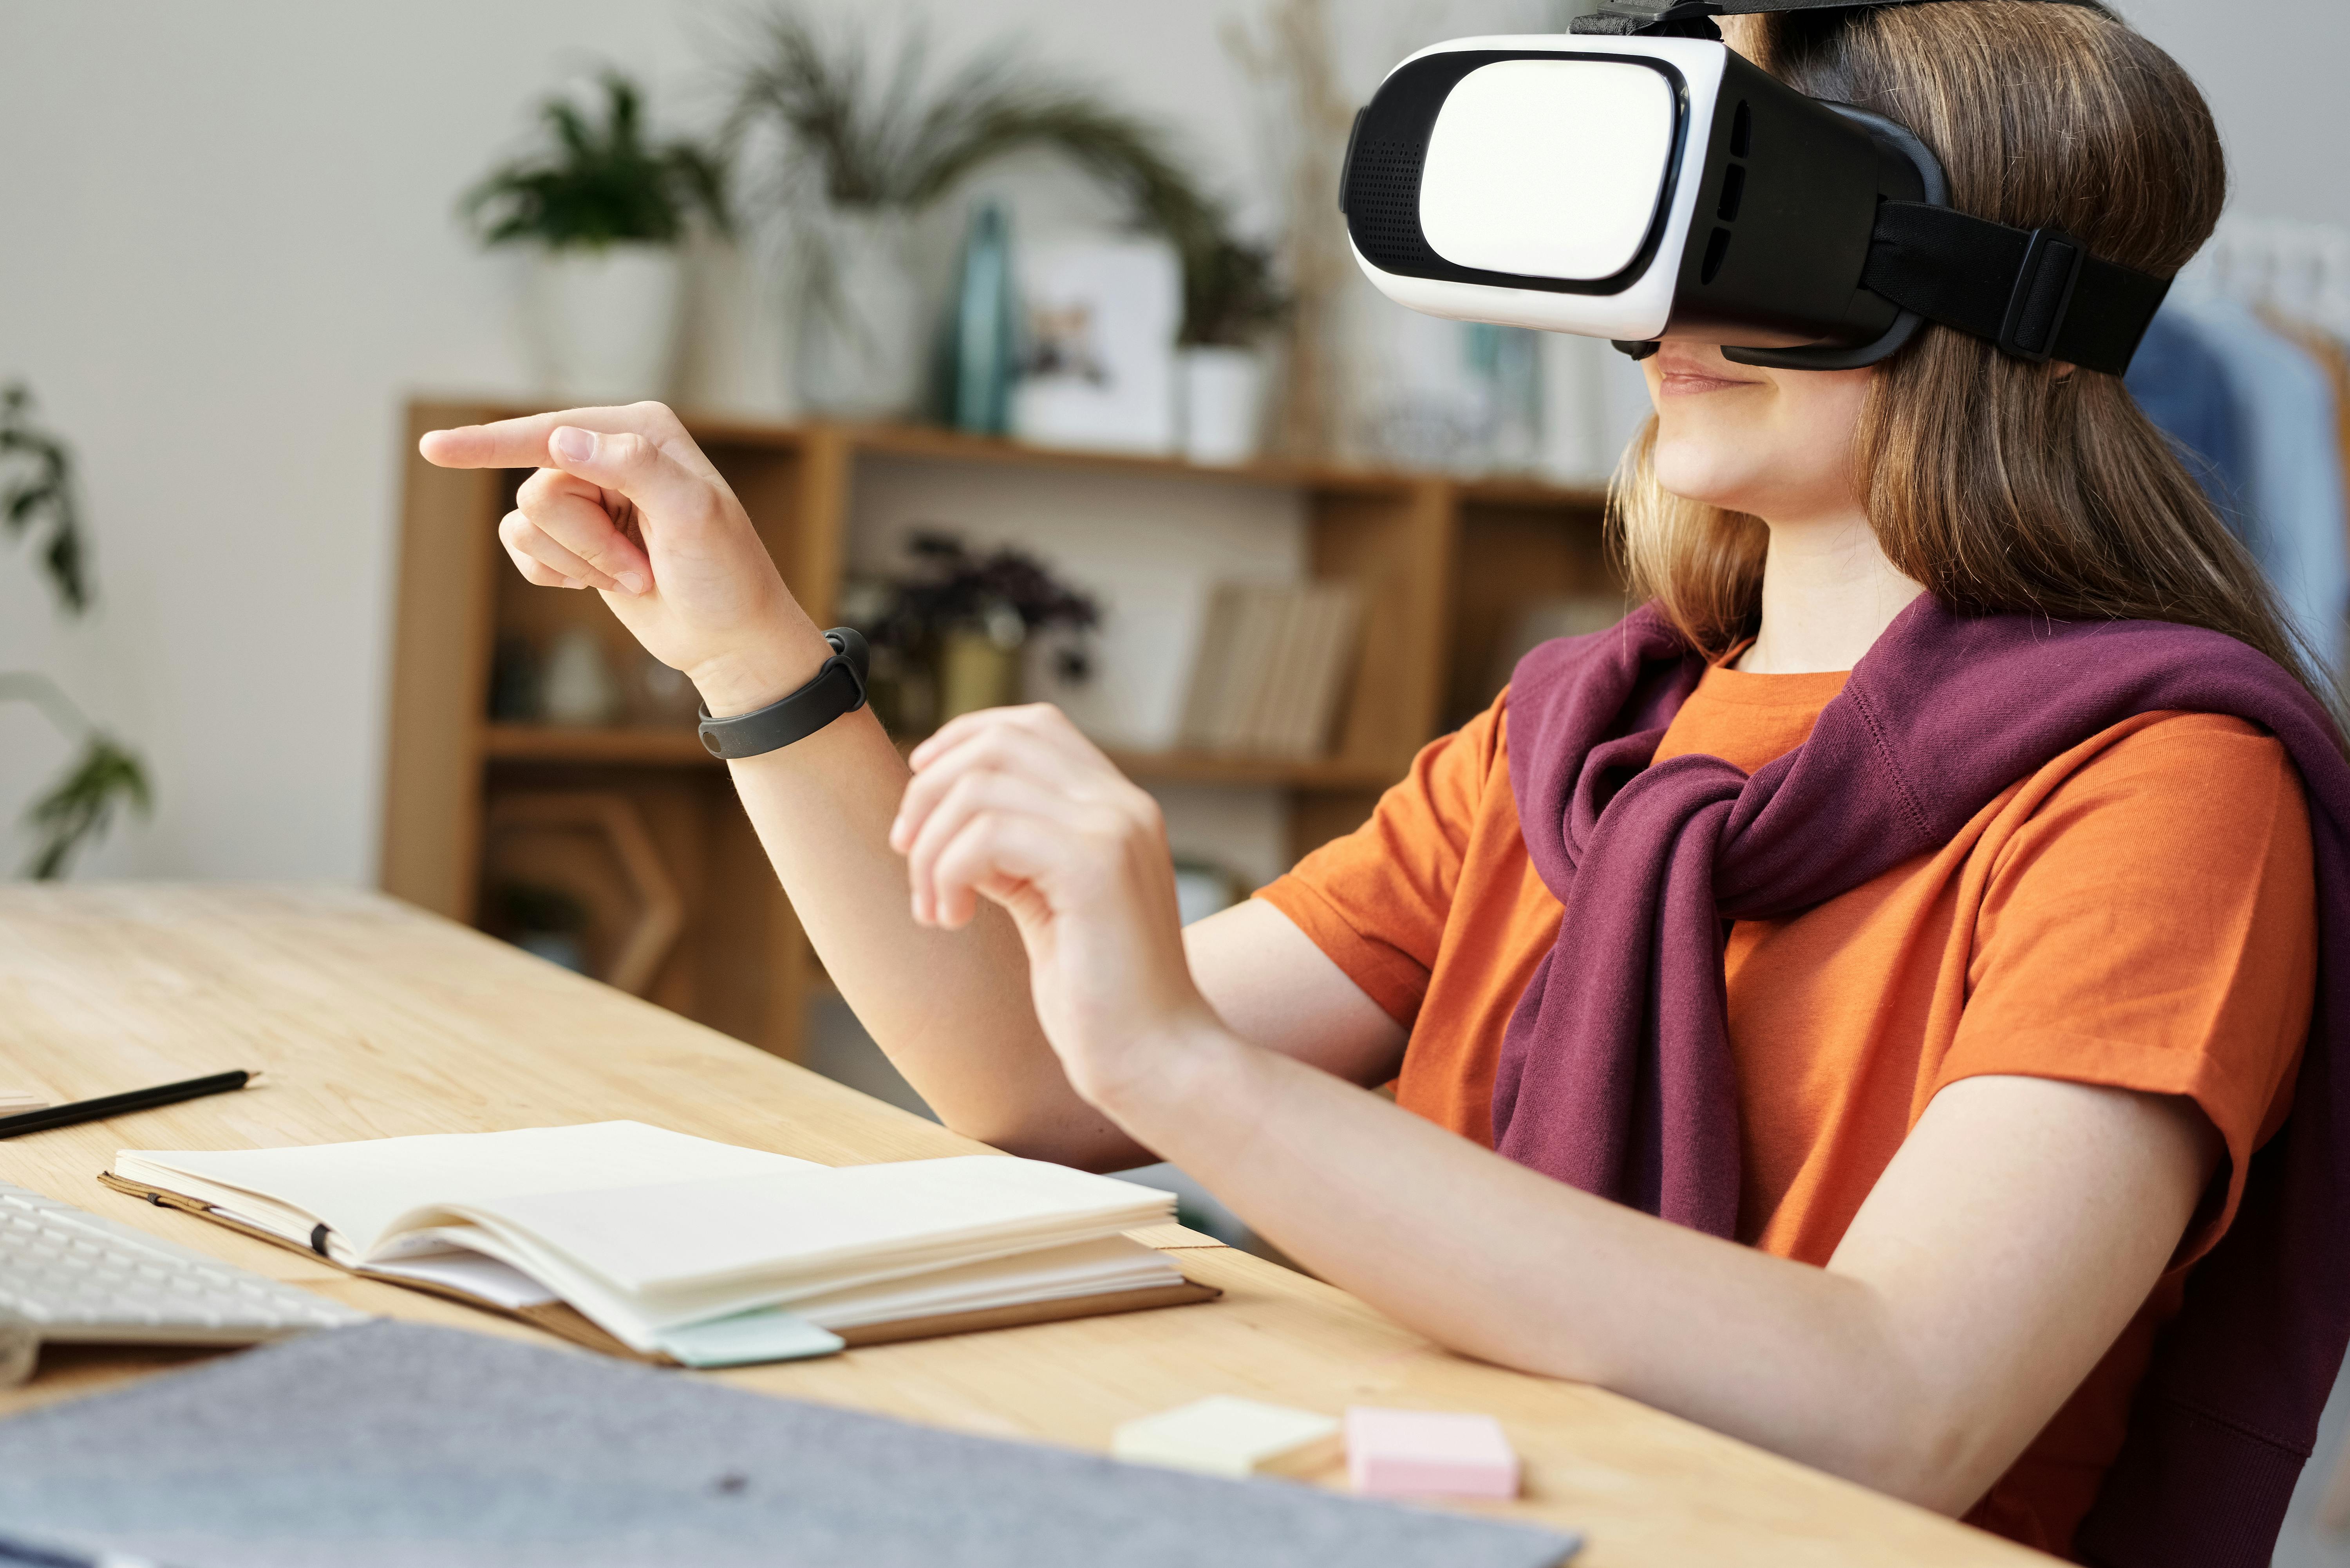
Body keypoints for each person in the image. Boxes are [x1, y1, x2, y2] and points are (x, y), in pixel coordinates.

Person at [421, 3, 2335, 1557]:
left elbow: (1902, 1404)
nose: (1657, 312)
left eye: (1732, 228)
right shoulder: (1578, 740)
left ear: (1964, 278)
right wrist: (745, 641)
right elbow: (1021, 1073)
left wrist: (1191, 1067)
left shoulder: (2164, 788)